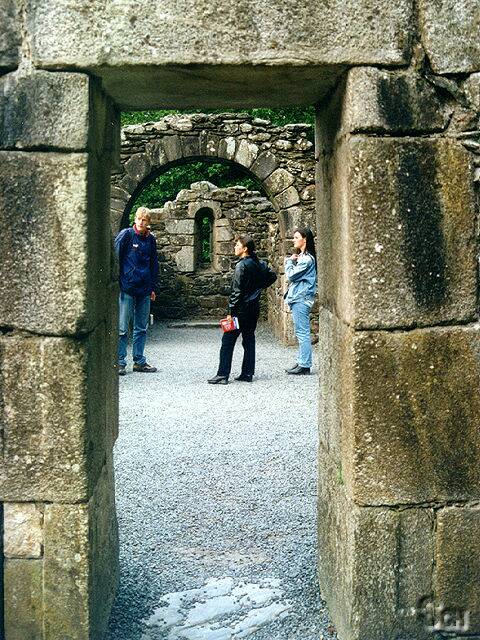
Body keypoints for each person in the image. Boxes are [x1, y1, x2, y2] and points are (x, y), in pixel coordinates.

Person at [208, 235, 276, 385]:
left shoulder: (241, 266)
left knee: (227, 341)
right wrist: (258, 289)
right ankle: (247, 373)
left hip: (240, 310)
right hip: (253, 308)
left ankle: (222, 374)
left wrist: (230, 312)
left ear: (245, 249)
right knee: (249, 339)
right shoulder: (260, 263)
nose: (235, 247)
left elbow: (236, 292)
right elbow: (272, 276)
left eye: (237, 245)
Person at [115, 207, 159, 375]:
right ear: (135, 219)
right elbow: (116, 258)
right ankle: (119, 362)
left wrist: (153, 287)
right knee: (122, 327)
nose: (141, 222)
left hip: (145, 289)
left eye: (145, 220)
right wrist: (118, 282)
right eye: (139, 219)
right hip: (127, 287)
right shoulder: (126, 235)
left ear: (148, 223)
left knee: (141, 327)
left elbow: (154, 264)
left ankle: (139, 361)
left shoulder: (151, 240)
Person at [284, 227, 317, 375]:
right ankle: (302, 361)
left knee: (303, 332)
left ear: (305, 239)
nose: (294, 240)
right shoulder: (303, 257)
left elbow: (291, 276)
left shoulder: (307, 259)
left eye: (296, 237)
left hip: (301, 299)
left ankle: (305, 365)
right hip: (299, 298)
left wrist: (289, 262)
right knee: (300, 332)